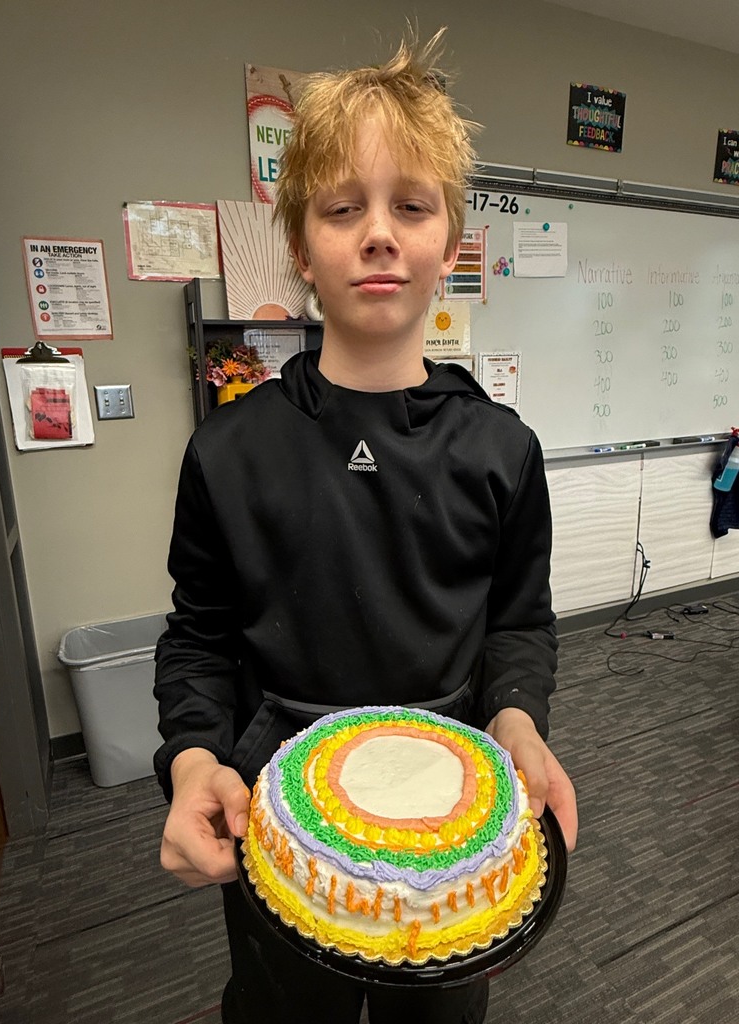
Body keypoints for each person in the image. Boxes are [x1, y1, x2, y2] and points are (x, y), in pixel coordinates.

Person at [154, 28, 578, 1024]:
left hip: (454, 827)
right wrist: (190, 761)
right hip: (279, 821)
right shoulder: (228, 451)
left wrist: (516, 717)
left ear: (451, 242)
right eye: (344, 208)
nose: (379, 233)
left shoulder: (502, 450)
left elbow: (520, 622)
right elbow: (198, 638)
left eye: (411, 206)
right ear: (301, 246)